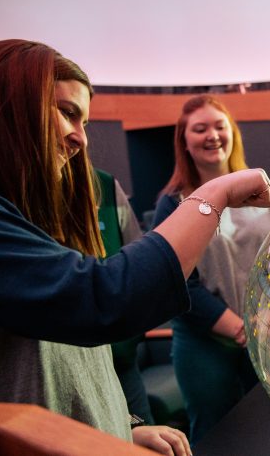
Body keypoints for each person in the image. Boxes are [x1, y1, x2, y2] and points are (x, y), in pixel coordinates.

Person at [0, 39, 270, 456]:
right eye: (67, 113)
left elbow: (58, 363)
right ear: (7, 102)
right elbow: (104, 296)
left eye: (85, 121)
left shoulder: (18, 215)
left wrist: (117, 426)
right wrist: (214, 195)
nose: (80, 140)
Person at [152, 95, 270, 444]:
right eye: (200, 128)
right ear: (184, 141)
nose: (212, 135)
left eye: (219, 126)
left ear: (232, 133)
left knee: (268, 435)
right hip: (203, 345)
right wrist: (241, 330)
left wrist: (268, 320)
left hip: (264, 339)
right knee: (216, 438)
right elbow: (177, 282)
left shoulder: (260, 191)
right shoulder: (173, 203)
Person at [95, 168, 156, 425]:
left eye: (83, 124)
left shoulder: (105, 186)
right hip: (76, 363)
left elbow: (136, 264)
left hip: (121, 359)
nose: (80, 139)